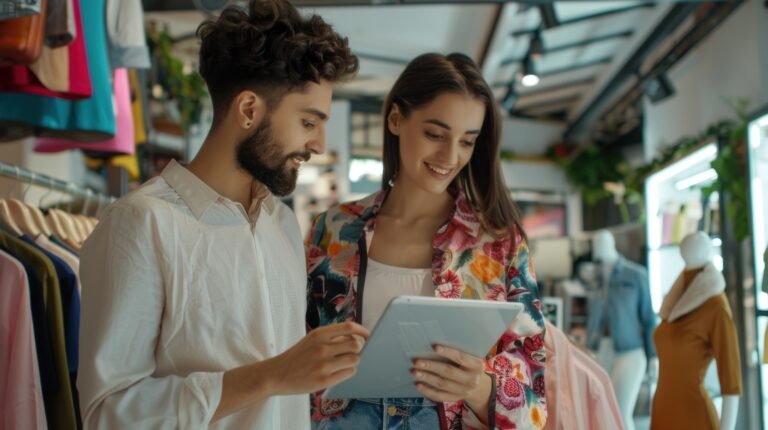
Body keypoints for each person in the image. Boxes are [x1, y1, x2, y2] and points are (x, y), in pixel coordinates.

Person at [77, 1, 369, 428]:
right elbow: (108, 415)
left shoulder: (281, 224)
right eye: (308, 123)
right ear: (248, 109)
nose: (319, 144)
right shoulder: (141, 223)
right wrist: (272, 376)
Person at [305, 53, 547, 430]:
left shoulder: (499, 242)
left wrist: (478, 388)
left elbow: (535, 403)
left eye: (467, 141)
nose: (449, 156)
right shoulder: (333, 228)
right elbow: (299, 353)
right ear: (396, 119)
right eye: (435, 134)